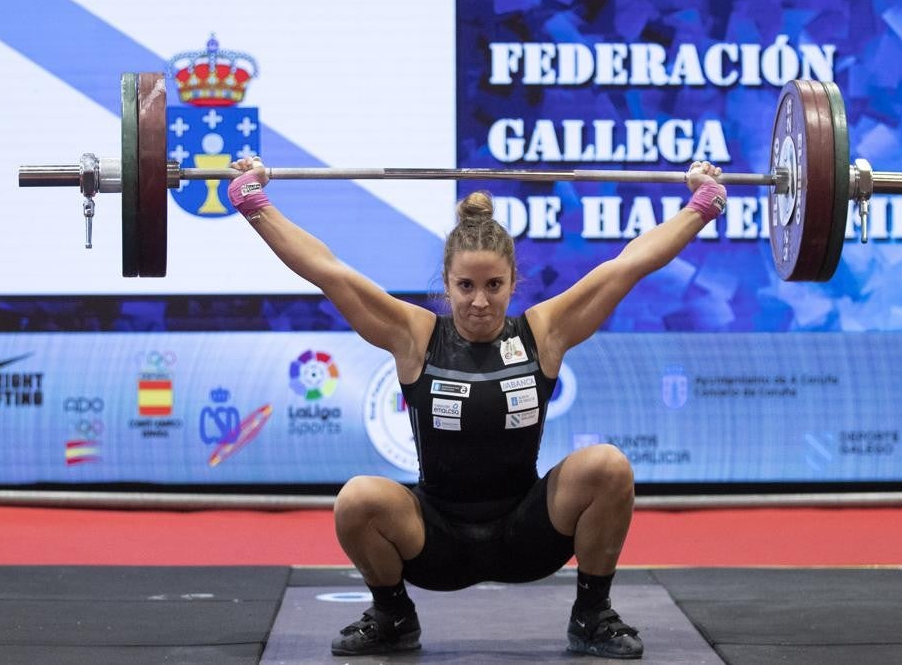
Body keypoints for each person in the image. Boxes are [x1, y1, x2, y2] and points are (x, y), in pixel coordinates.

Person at [226, 157, 727, 659]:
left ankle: (592, 616)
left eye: (494, 286)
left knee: (609, 467)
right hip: (435, 539)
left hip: (528, 533)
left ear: (513, 283)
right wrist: (255, 204)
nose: (481, 302)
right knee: (358, 500)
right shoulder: (415, 335)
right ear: (446, 284)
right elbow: (327, 270)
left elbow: (629, 264)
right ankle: (393, 616)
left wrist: (701, 206)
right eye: (466, 286)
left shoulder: (543, 331)